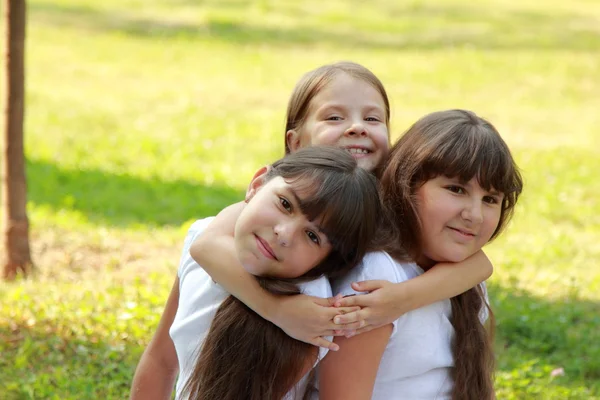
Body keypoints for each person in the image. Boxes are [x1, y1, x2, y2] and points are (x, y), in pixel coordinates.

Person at [190, 62, 494, 351]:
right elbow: (206, 245)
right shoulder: (276, 201)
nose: (357, 127)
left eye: (372, 119)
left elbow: (480, 265)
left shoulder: (385, 206)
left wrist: (401, 300)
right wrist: (279, 311)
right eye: (335, 118)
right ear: (295, 143)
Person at [130, 146, 381, 400]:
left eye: (312, 236)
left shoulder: (308, 316)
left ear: (325, 263)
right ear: (257, 184)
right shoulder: (202, 238)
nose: (284, 234)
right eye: (285, 204)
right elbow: (161, 360)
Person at [319, 109, 524, 399]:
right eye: (456, 189)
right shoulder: (377, 276)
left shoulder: (462, 274)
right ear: (407, 183)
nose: (474, 215)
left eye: (490, 199)